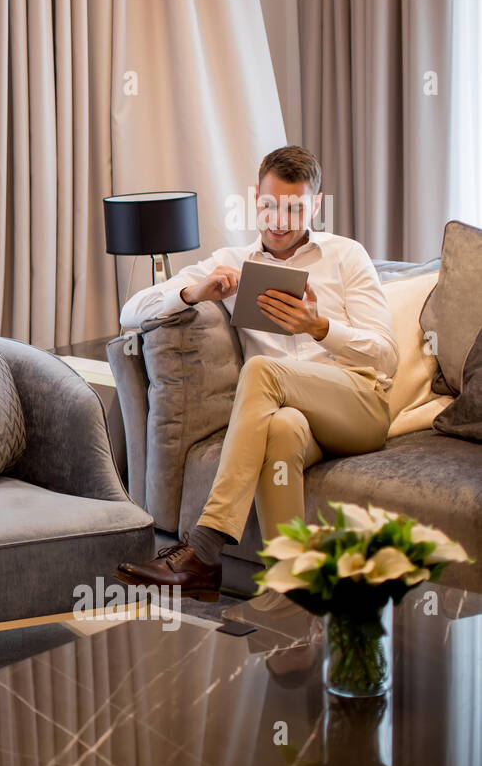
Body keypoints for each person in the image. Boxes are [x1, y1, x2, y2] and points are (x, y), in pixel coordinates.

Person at [113, 146, 398, 599]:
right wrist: (193, 291)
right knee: (281, 428)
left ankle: (203, 549)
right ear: (254, 199)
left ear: (316, 206)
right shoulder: (232, 261)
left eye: (295, 208)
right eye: (269, 206)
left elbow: (386, 356)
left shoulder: (345, 257)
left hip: (357, 406)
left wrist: (320, 328)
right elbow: (132, 311)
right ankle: (290, 594)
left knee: (264, 370)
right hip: (292, 416)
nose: (280, 221)